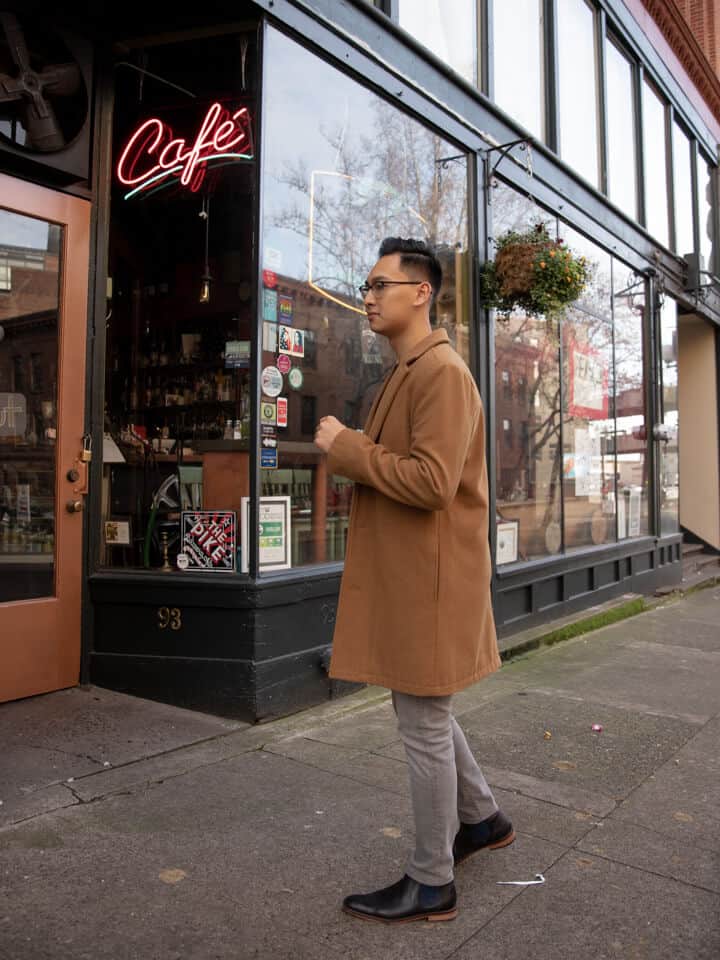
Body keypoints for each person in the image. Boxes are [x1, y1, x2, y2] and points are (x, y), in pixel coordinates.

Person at [314, 237, 514, 925]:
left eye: (379, 284)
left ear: (420, 292)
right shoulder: (409, 371)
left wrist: (347, 448)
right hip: (417, 575)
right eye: (366, 285)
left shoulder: (442, 374)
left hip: (433, 580)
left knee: (423, 720)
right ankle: (481, 818)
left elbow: (432, 483)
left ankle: (433, 881)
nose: (367, 296)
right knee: (422, 710)